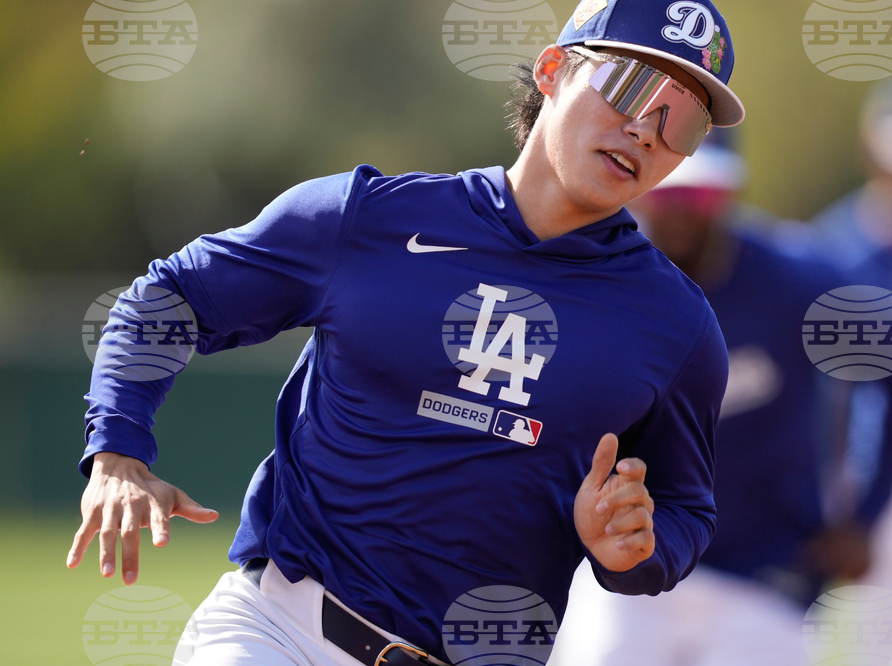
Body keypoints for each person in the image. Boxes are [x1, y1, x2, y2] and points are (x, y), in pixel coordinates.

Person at [65, 1, 746, 664]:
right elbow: (170, 298)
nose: (647, 129)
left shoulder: (679, 328)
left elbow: (686, 508)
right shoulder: (365, 221)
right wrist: (117, 453)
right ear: (551, 70)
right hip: (280, 633)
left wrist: (635, 551)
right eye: (629, 86)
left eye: (684, 120)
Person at [549, 133, 892, 666]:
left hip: (765, 573)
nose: (684, 214)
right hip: (629, 569)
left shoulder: (796, 282)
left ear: (731, 193)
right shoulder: (599, 282)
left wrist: (865, 516)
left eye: (701, 197)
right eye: (669, 195)